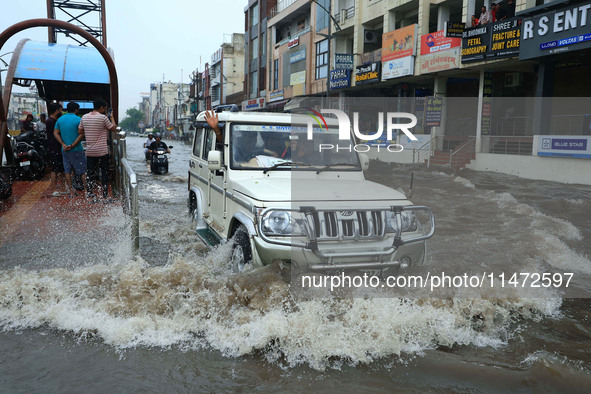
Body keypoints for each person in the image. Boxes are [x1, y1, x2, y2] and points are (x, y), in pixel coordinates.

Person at [79, 98, 117, 201]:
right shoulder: (103, 118)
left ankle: (90, 195)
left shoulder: (84, 117)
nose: (105, 110)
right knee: (104, 173)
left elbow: (80, 130)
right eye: (104, 108)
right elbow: (113, 128)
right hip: (101, 151)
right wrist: (112, 117)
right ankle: (105, 196)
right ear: (101, 107)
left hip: (90, 151)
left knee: (90, 173)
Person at [54, 102, 86, 196]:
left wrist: (63, 144)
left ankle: (71, 192)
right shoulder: (79, 120)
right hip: (77, 149)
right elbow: (82, 134)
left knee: (67, 170)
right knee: (82, 171)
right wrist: (72, 145)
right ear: (76, 109)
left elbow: (55, 133)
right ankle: (86, 190)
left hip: (64, 150)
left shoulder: (60, 119)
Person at [45, 103, 66, 196]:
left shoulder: (52, 120)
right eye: (60, 110)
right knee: (55, 169)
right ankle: (54, 189)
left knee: (60, 169)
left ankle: (62, 188)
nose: (61, 112)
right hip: (54, 147)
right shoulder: (51, 121)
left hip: (56, 147)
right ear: (57, 110)